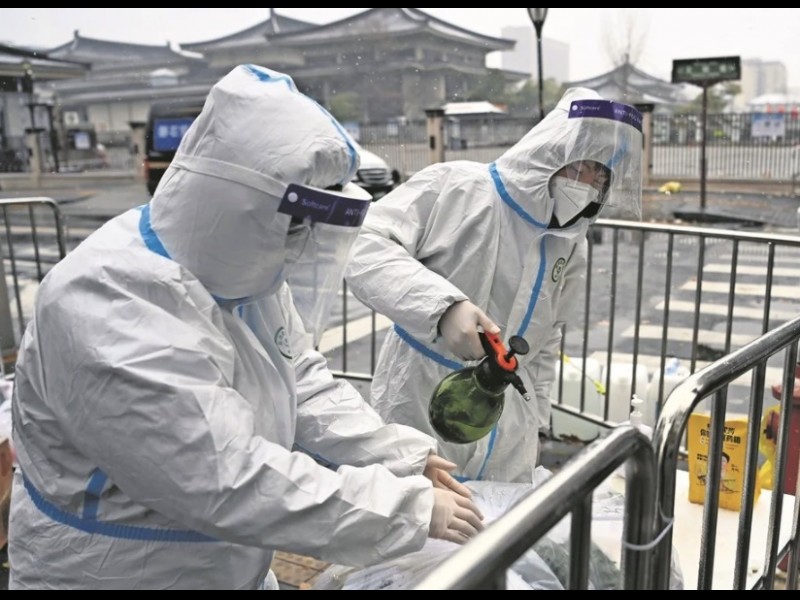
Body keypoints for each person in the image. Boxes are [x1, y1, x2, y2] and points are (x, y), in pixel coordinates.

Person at [7, 64, 484, 590]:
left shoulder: (239, 271)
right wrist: (403, 509)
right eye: (295, 224)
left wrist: (397, 456)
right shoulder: (104, 303)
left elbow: (300, 381)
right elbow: (221, 478)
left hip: (225, 566)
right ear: (236, 206)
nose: (300, 244)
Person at [345, 87, 643, 483]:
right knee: (416, 507)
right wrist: (442, 309)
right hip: (420, 396)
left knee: (499, 519)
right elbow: (363, 245)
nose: (591, 182)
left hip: (508, 422)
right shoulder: (458, 187)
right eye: (585, 166)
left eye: (602, 175)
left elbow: (548, 336)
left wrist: (537, 420)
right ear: (552, 151)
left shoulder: (571, 242)